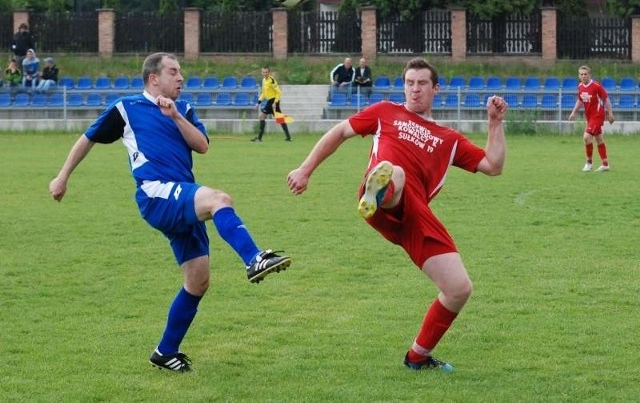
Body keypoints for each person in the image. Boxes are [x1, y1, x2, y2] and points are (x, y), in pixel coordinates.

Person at [49, 52, 292, 373]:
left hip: (180, 196)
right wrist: (62, 176)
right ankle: (254, 258)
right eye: (174, 72)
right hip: (156, 193)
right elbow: (87, 139)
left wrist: (176, 117)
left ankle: (165, 351)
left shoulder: (185, 108)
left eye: (180, 73)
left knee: (198, 281)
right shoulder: (127, 107)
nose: (181, 78)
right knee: (219, 198)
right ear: (154, 78)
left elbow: (203, 145)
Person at [287, 58, 507, 372]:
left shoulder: (450, 140)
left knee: (459, 288)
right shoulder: (385, 112)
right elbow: (339, 132)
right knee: (396, 173)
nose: (415, 89)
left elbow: (494, 166)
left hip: (416, 217)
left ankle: (417, 357)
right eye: (409, 83)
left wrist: (495, 123)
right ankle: (379, 191)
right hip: (382, 199)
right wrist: (305, 169)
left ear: (435, 89)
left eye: (421, 84)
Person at [568, 65, 615, 172]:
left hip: (598, 115)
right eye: (581, 74)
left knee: (586, 137)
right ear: (579, 76)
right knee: (599, 139)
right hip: (589, 117)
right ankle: (605, 164)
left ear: (590, 75)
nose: (584, 76)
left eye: (586, 74)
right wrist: (573, 112)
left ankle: (589, 162)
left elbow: (606, 99)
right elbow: (580, 100)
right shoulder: (580, 86)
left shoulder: (596, 86)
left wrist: (610, 114)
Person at [251, 67, 292, 142]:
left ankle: (259, 138)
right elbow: (263, 93)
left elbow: (278, 92)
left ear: (269, 73)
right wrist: (258, 103)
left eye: (266, 72)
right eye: (263, 72)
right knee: (280, 119)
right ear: (261, 73)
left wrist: (275, 102)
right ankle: (288, 138)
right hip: (270, 101)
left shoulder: (272, 80)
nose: (265, 73)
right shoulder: (263, 81)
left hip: (273, 101)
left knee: (262, 117)